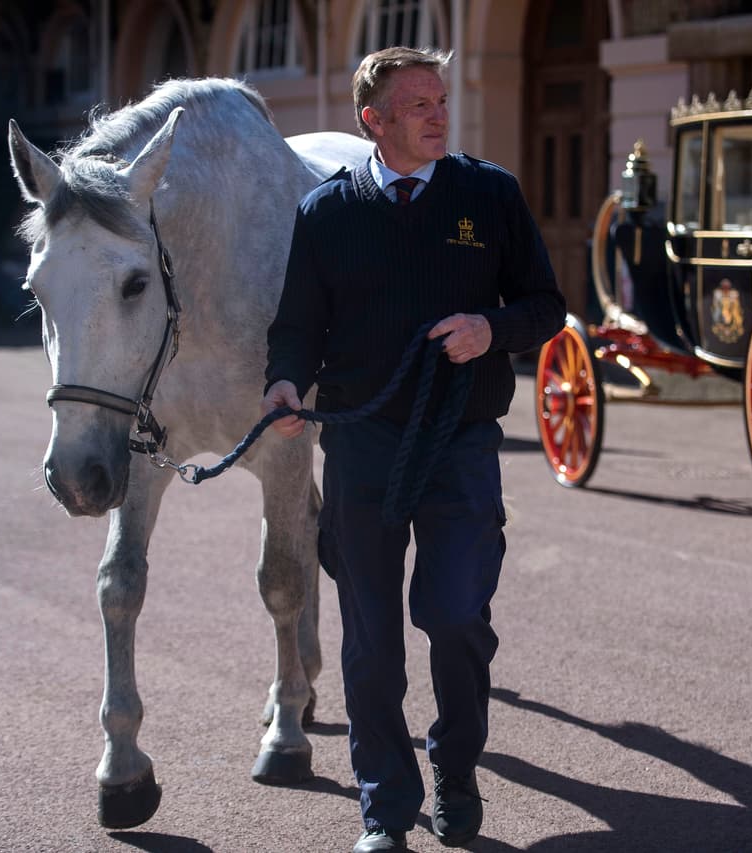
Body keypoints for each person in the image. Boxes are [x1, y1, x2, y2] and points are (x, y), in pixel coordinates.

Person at [262, 46, 565, 853]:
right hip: (362, 442)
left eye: (440, 101)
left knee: (456, 613)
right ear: (375, 120)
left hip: (460, 440)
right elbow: (295, 329)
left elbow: (548, 306)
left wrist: (489, 328)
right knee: (372, 639)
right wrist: (285, 385)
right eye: (420, 105)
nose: (440, 115)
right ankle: (385, 810)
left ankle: (456, 769)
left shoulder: (488, 194)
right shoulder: (326, 213)